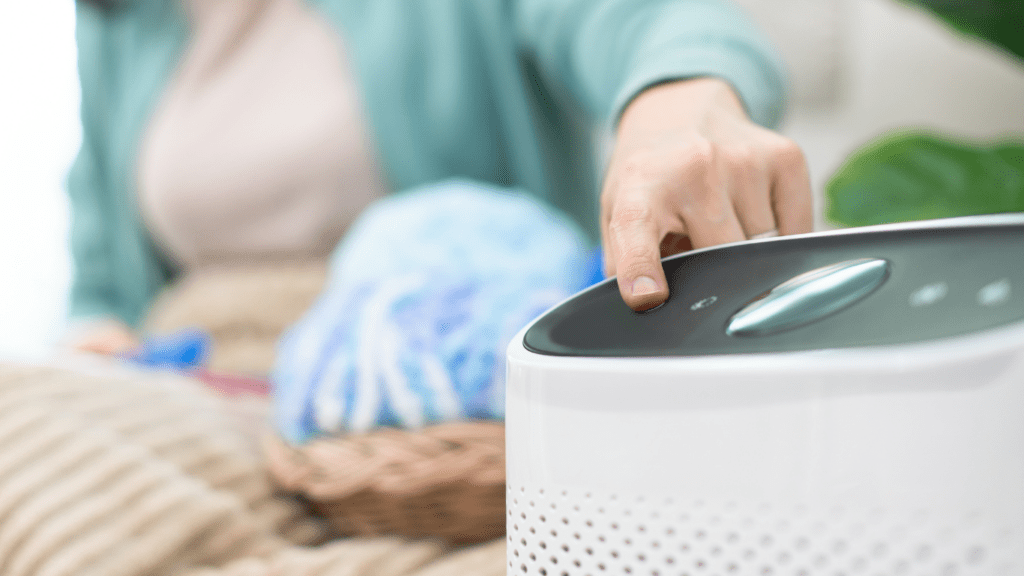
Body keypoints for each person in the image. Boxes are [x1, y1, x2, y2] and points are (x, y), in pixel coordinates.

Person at [66, 0, 812, 356]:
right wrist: (96, 337)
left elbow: (647, 20)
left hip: (441, 385)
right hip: (199, 372)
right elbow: (101, 277)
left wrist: (681, 100)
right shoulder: (116, 20)